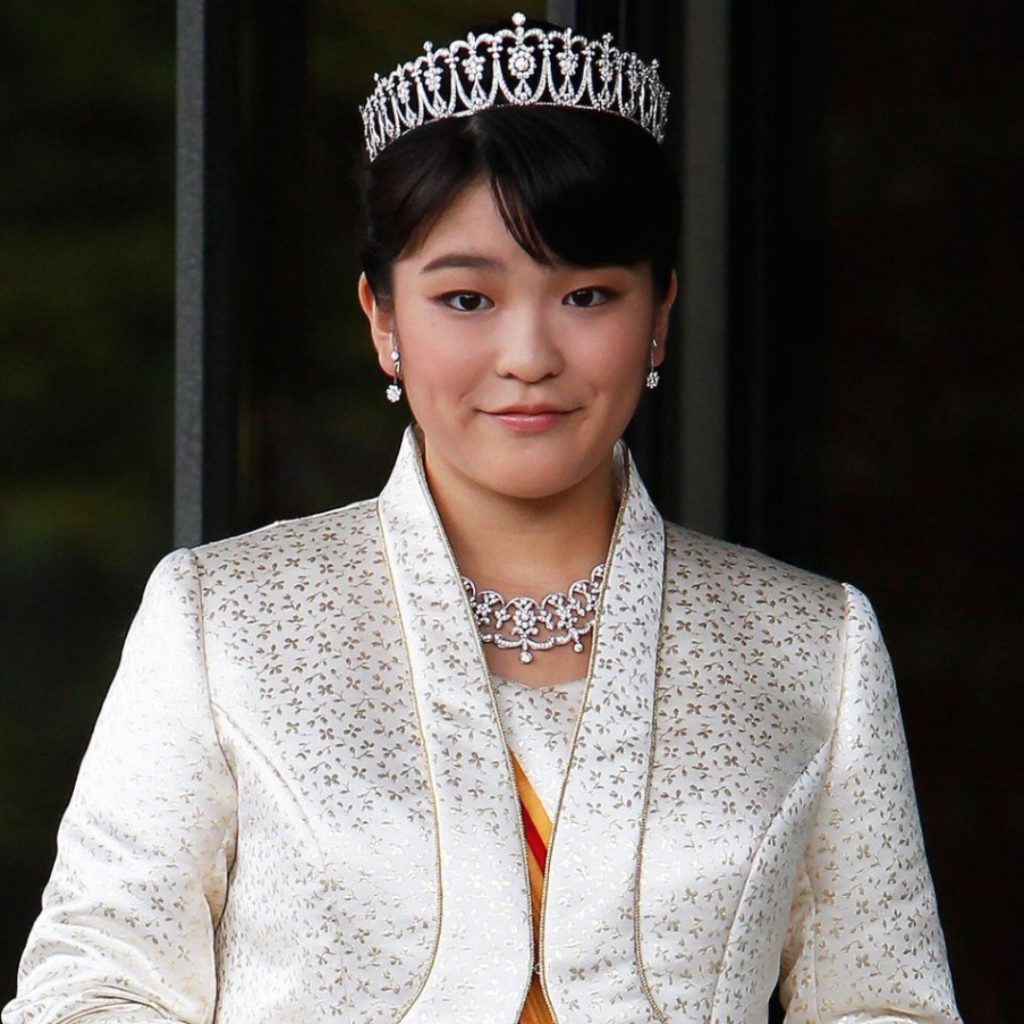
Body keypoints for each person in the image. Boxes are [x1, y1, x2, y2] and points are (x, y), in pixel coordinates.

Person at [4, 13, 961, 1024]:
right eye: (466, 299)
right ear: (382, 319)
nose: (529, 356)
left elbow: (886, 1004)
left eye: (587, 295)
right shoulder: (222, 618)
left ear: (660, 315)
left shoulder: (811, 645)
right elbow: (92, 989)